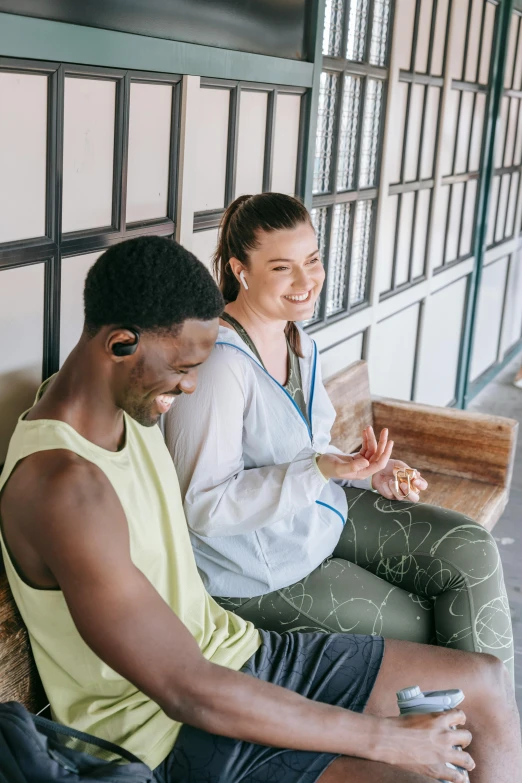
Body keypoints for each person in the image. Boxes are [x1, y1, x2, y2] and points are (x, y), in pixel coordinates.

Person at [0, 236, 520, 783]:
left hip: (236, 653)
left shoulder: (108, 396)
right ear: (121, 343)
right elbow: (184, 689)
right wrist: (386, 739)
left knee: (482, 683)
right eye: (182, 366)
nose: (192, 384)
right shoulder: (63, 488)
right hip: (166, 736)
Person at [165, 193, 514, 680]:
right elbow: (203, 507)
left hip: (317, 517)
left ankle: (492, 731)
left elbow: (305, 449)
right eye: (283, 268)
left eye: (312, 260)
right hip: (258, 568)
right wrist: (322, 470)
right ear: (241, 270)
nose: (307, 281)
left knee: (470, 545)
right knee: (425, 629)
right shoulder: (220, 366)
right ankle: (479, 738)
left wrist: (368, 470)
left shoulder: (297, 341)